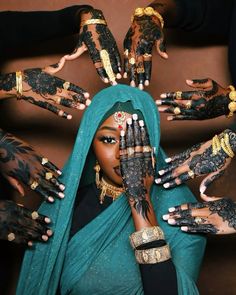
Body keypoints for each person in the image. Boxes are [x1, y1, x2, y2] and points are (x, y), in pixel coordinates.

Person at [17, 85, 205, 295]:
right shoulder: (65, 208)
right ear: (90, 143)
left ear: (152, 144)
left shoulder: (183, 215)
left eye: (136, 140)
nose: (122, 154)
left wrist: (139, 198)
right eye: (109, 139)